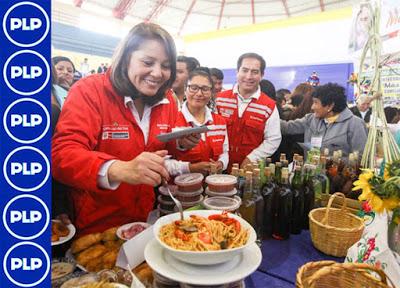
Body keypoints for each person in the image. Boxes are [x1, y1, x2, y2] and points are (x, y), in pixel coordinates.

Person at [52, 23, 200, 235]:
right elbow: (62, 155)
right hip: (95, 224)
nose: (158, 73)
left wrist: (180, 143)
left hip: (143, 219)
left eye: (166, 66)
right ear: (126, 58)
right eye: (148, 62)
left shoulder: (166, 98)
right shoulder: (89, 90)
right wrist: (119, 169)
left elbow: (162, 147)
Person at [215, 52, 281, 169]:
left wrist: (253, 158)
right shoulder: (220, 100)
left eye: (255, 72)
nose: (249, 76)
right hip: (219, 166)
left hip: (249, 170)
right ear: (237, 71)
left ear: (262, 75)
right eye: (244, 70)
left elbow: (273, 139)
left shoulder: (268, 106)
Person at [280, 83, 368, 159]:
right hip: (311, 175)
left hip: (338, 177)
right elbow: (287, 127)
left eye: (315, 102)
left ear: (329, 106)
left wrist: (329, 161)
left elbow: (360, 157)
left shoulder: (354, 124)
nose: (312, 107)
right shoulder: (311, 119)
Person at [171, 68, 228, 175]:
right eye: (193, 88)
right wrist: (191, 168)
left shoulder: (219, 122)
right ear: (185, 89)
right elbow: (164, 162)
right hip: (180, 188)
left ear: (211, 92)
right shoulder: (172, 121)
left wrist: (221, 163)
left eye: (205, 89)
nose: (199, 93)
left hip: (211, 186)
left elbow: (225, 153)